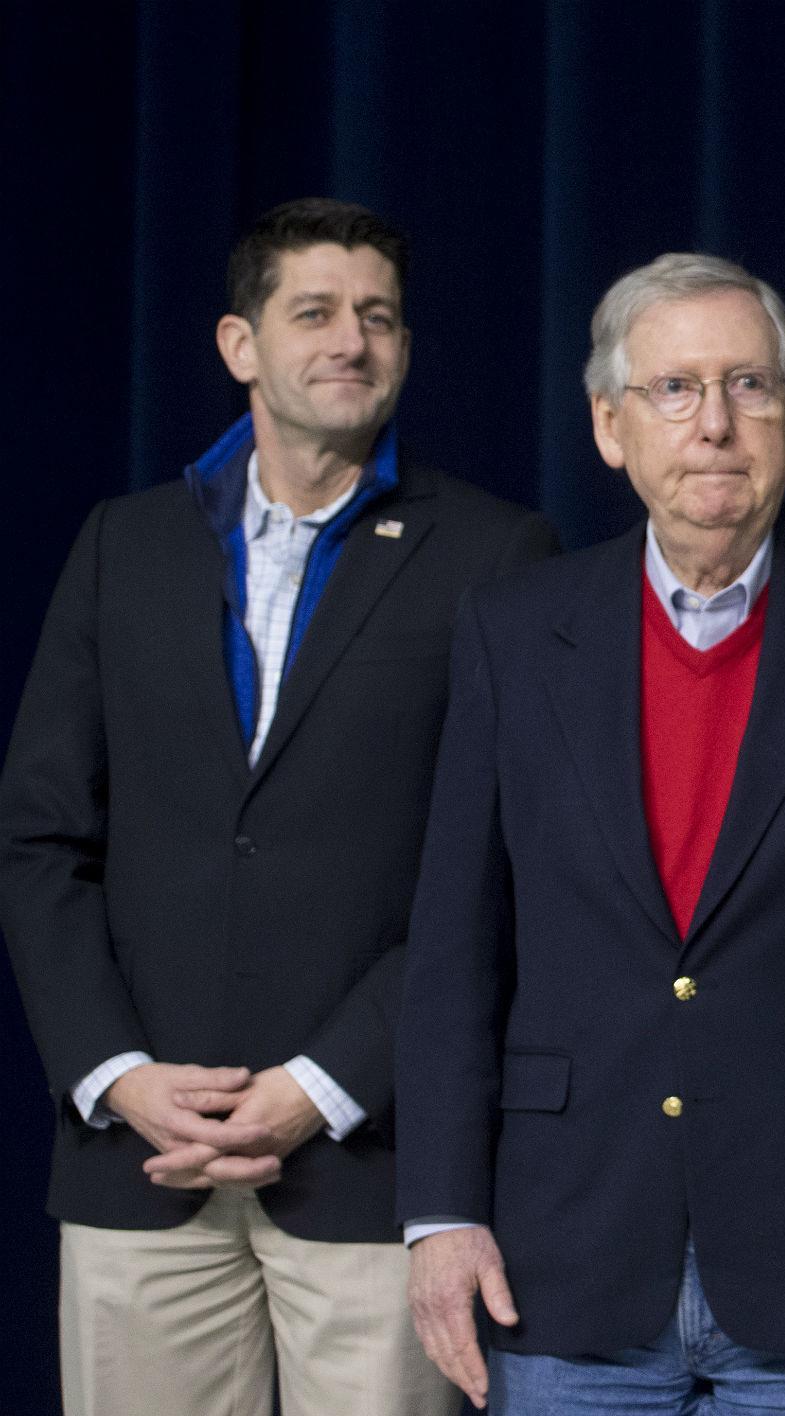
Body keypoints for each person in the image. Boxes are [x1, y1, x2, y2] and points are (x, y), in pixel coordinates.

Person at [396, 253, 785, 1416]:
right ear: (609, 425)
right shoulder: (512, 630)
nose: (715, 425)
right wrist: (441, 1215)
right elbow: (453, 950)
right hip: (566, 1265)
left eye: (750, 386)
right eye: (675, 390)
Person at [0, 197, 556, 1416]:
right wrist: (117, 1072)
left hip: (370, 1163)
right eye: (313, 312)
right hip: (139, 1157)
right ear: (239, 345)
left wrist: (326, 1081)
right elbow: (42, 840)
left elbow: (497, 875)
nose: (350, 341)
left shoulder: (496, 557)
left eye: (378, 316)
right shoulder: (120, 545)